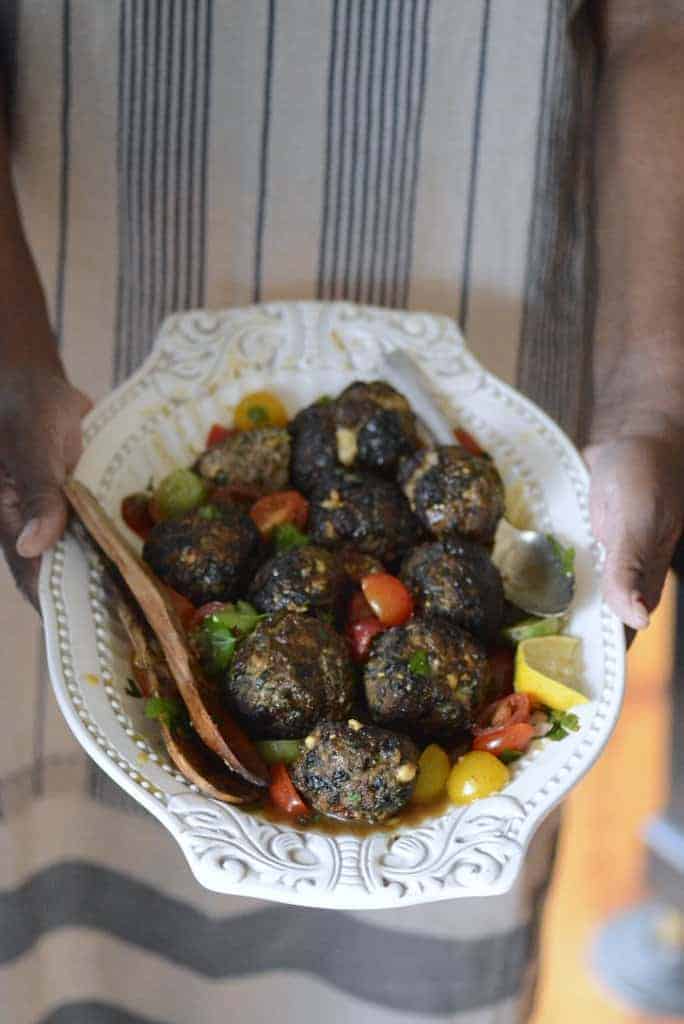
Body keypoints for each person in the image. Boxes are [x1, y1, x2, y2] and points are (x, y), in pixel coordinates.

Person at [1, 2, 683, 1022]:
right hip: (73, 321)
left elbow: (659, 27)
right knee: (72, 861)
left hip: (498, 284)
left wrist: (650, 400)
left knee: (402, 970)